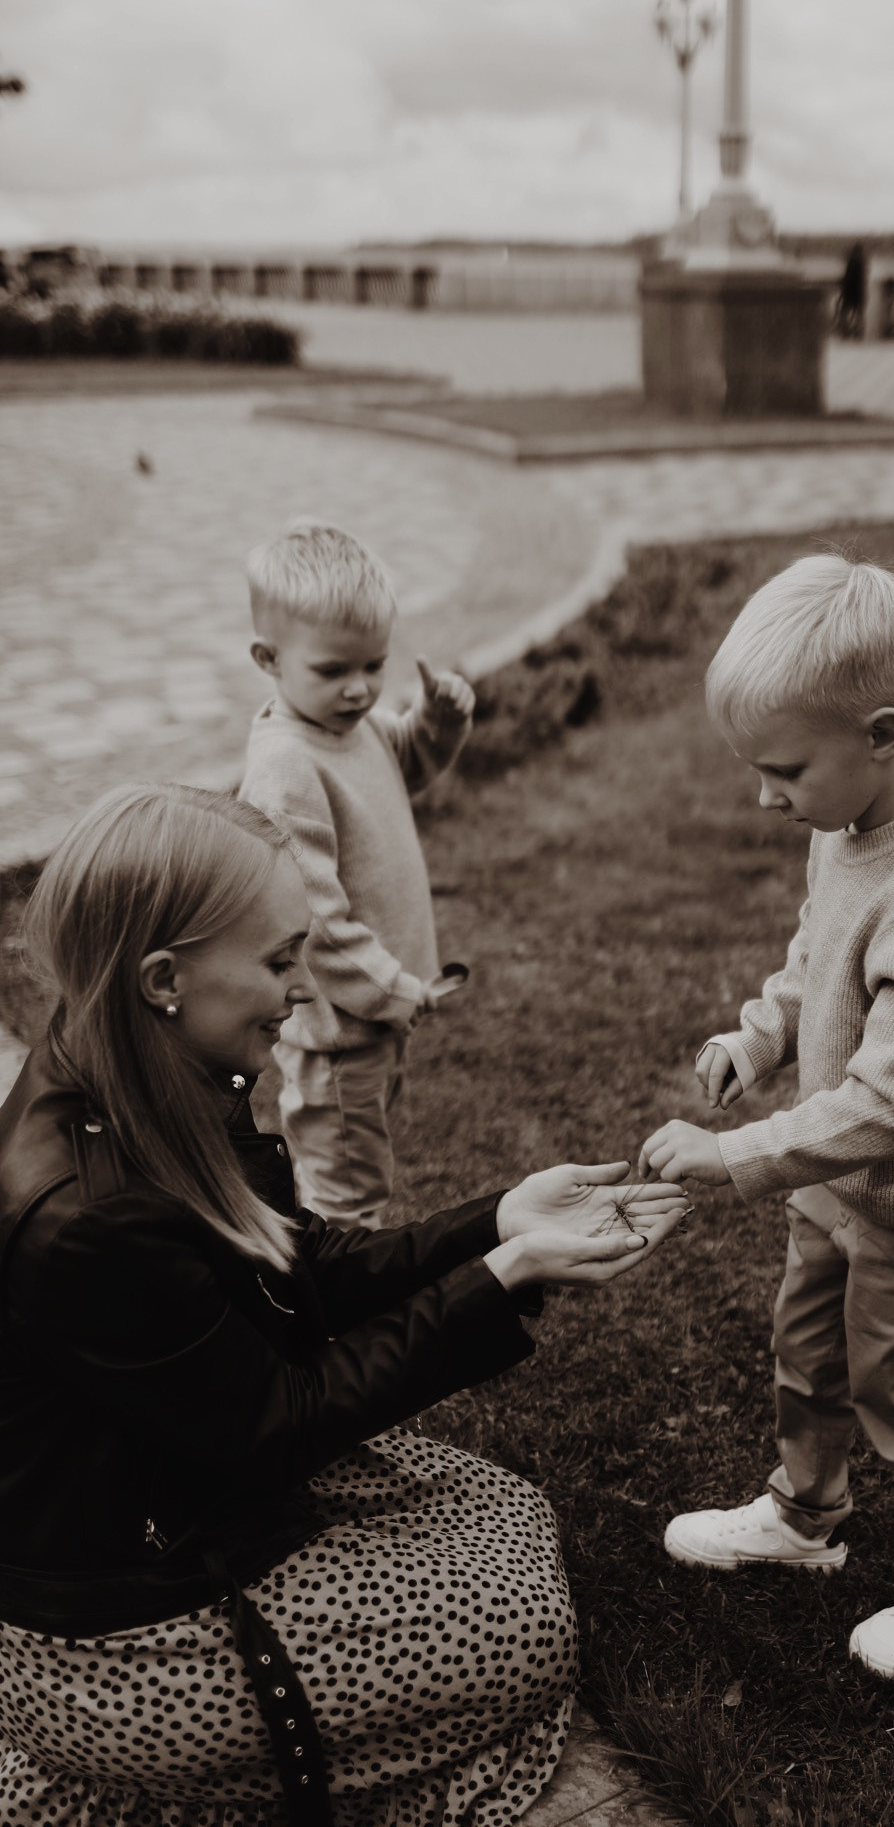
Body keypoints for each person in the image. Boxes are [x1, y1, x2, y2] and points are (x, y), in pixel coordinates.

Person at [0, 782, 687, 1826]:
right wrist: (503, 1279)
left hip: (177, 1492)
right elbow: (276, 1426)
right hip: (117, 1623)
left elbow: (297, 1267)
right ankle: (133, 1778)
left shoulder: (153, 1069)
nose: (301, 990)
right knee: (527, 1626)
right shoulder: (90, 1220)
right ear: (163, 978)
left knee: (503, 1514)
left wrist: (497, 1221)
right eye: (278, 961)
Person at [638, 555, 894, 1682]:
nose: (764, 796)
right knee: (807, 1355)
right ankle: (802, 1517)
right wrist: (755, 1039)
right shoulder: (847, 824)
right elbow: (815, 953)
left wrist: (736, 1155)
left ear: (878, 732)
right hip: (833, 1185)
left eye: (779, 769)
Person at [239, 517, 473, 1231]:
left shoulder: (353, 726)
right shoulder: (286, 766)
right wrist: (392, 989)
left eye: (374, 665)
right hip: (341, 1026)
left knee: (359, 1157)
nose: (360, 689)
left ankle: (339, 1281)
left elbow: (404, 760)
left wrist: (434, 722)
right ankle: (334, 1313)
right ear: (269, 658)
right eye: (334, 670)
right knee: (344, 1187)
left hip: (374, 1015)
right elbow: (309, 920)